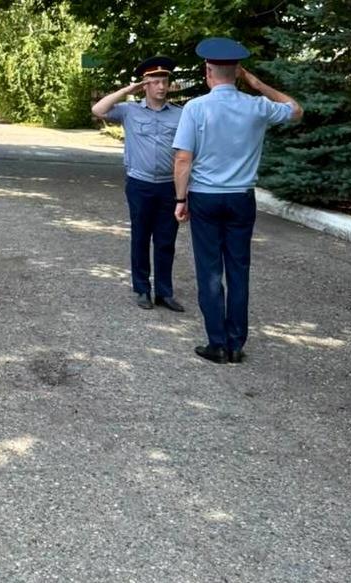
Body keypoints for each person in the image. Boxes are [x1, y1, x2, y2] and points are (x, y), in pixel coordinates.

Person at [172, 37, 303, 364]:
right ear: (238, 73)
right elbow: (296, 110)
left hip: (205, 197)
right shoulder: (257, 106)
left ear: (208, 71)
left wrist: (179, 198)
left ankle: (216, 343)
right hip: (241, 198)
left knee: (210, 270)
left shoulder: (196, 108)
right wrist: (256, 83)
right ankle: (235, 343)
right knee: (238, 270)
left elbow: (183, 159)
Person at [92, 56, 185, 312]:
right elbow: (98, 110)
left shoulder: (180, 114)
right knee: (141, 237)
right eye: (154, 82)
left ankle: (164, 292)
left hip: (169, 185)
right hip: (140, 184)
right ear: (145, 85)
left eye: (164, 81)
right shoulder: (129, 111)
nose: (161, 87)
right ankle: (143, 289)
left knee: (166, 240)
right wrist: (126, 90)